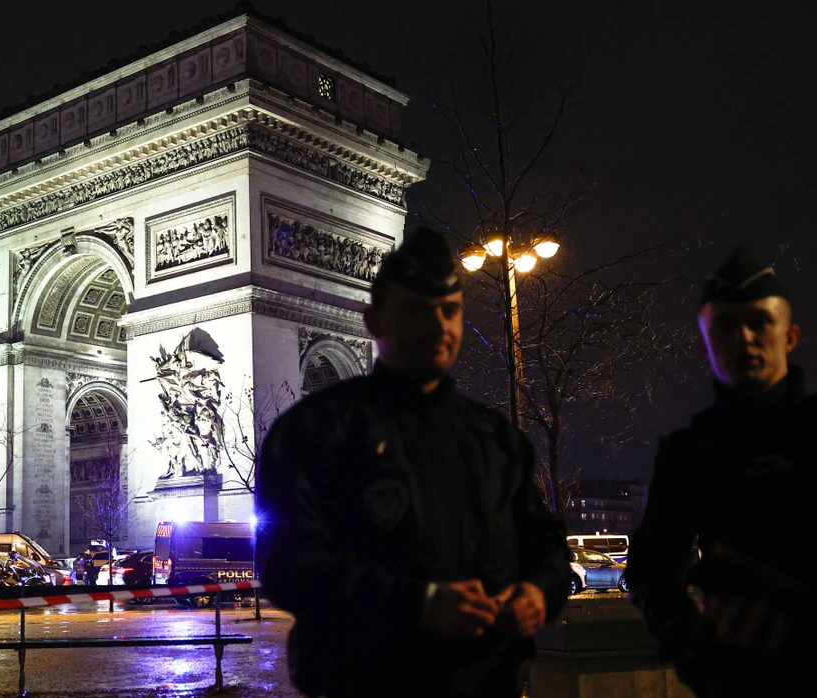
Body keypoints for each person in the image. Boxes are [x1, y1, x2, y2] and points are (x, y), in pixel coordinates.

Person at [255, 227, 570, 698]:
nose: (439, 326)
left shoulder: (497, 439)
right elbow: (285, 564)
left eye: (450, 311)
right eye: (418, 311)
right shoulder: (314, 432)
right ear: (374, 321)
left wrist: (538, 593)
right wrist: (417, 603)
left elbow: (547, 547)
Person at [625, 248, 812, 696]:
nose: (744, 337)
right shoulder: (688, 453)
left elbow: (651, 571)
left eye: (758, 322)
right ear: (702, 343)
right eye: (725, 325)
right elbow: (651, 568)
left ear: (791, 336)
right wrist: (694, 646)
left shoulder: (692, 452)